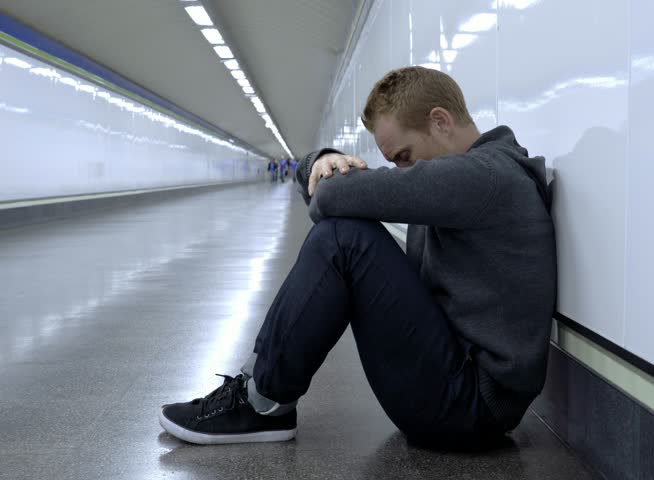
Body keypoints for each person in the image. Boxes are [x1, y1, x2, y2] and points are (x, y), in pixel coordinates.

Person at [159, 66, 556, 447]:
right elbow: (330, 195)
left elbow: (330, 195)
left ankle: (262, 404)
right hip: (461, 389)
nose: (403, 170)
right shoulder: (480, 176)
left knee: (345, 239)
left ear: (440, 121)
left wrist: (320, 164)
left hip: (471, 407)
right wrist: (321, 163)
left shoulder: (485, 177)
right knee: (346, 233)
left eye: (404, 155)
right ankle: (261, 395)